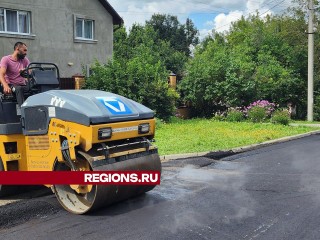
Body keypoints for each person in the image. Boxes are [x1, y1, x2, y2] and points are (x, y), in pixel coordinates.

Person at [0, 41, 30, 108]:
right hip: (11, 85)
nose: (26, 53)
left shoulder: (25, 60)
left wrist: (25, 71)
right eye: (24, 50)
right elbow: (1, 74)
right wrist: (5, 85)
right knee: (18, 89)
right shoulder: (6, 59)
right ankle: (23, 112)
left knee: (35, 88)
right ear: (17, 49)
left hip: (22, 85)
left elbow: (30, 73)